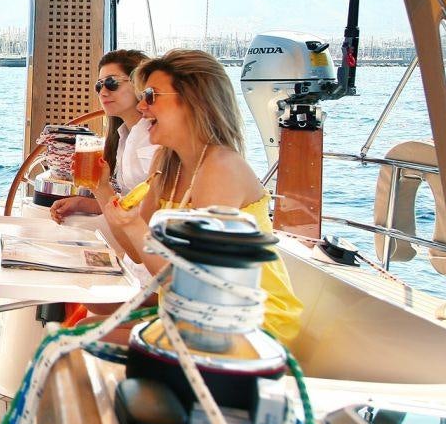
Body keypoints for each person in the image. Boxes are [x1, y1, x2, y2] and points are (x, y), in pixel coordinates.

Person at [97, 49, 304, 344]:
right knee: (86, 330)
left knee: (81, 346)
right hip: (198, 313)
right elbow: (137, 253)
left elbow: (198, 283)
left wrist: (135, 226)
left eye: (152, 96)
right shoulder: (166, 164)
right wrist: (103, 192)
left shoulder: (221, 169)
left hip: (248, 327)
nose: (142, 107)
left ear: (194, 101)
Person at [50, 49, 156, 223]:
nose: (103, 92)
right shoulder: (124, 137)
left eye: (112, 83)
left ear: (140, 84)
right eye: (99, 85)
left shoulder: (155, 138)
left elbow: (146, 211)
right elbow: (128, 203)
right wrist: (81, 203)